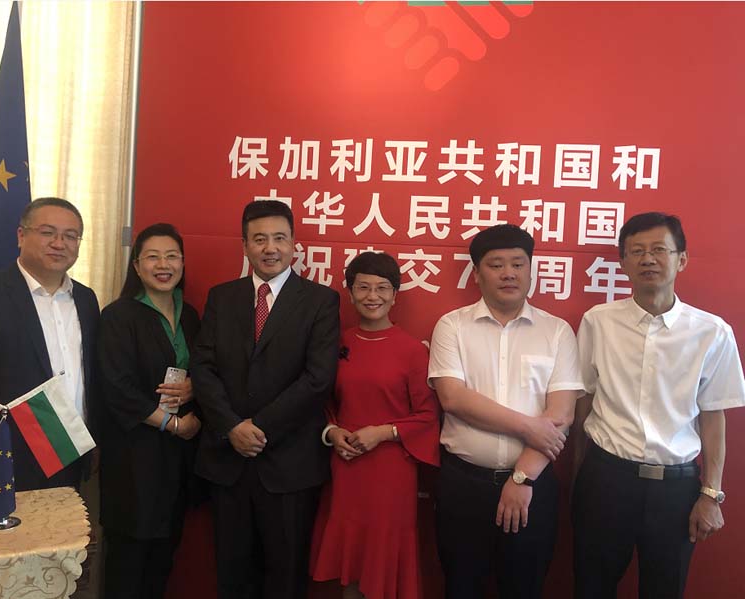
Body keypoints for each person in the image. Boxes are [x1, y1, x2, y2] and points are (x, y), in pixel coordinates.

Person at [571, 212, 745, 599]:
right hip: (605, 480)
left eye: (659, 250)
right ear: (623, 262)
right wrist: (579, 476)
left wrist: (710, 494)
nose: (648, 259)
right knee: (591, 587)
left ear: (681, 259)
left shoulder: (712, 333)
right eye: (636, 251)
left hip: (676, 490)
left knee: (665, 590)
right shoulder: (598, 322)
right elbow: (584, 401)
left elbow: (713, 419)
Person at [191, 199, 340, 599]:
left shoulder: (320, 301)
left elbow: (317, 379)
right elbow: (202, 368)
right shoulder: (222, 297)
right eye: (259, 239)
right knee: (232, 574)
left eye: (279, 238)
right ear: (245, 246)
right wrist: (231, 427)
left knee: (285, 577)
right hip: (228, 462)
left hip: (289, 464)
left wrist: (258, 429)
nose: (270, 248)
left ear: (294, 244)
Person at [428, 224, 584, 599]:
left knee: (524, 588)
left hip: (533, 487)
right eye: (496, 265)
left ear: (531, 270)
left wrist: (521, 479)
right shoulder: (452, 326)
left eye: (518, 264)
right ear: (477, 274)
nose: (508, 273)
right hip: (464, 486)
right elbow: (454, 398)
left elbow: (561, 415)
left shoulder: (557, 331)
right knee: (460, 587)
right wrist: (530, 427)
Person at [309, 252, 440, 599]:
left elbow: (427, 416)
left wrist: (382, 433)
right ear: (350, 292)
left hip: (391, 470)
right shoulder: (336, 343)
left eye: (382, 288)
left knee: (383, 557)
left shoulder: (412, 350)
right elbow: (320, 402)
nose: (372, 296)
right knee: (350, 558)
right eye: (363, 287)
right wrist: (332, 432)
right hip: (345, 463)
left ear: (395, 295)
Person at [0, 197, 99, 491]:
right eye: (47, 232)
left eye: (70, 236)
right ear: (21, 236)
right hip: (2, 461)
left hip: (71, 452)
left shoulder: (86, 299)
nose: (59, 243)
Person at [96, 223, 202, 599]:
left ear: (183, 263)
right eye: (153, 257)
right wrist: (174, 425)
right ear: (137, 266)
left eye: (172, 256)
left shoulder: (190, 315)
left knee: (163, 558)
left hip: (177, 460)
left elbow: (206, 370)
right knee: (129, 563)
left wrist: (195, 392)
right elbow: (117, 388)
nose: (163, 265)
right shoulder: (118, 316)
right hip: (133, 456)